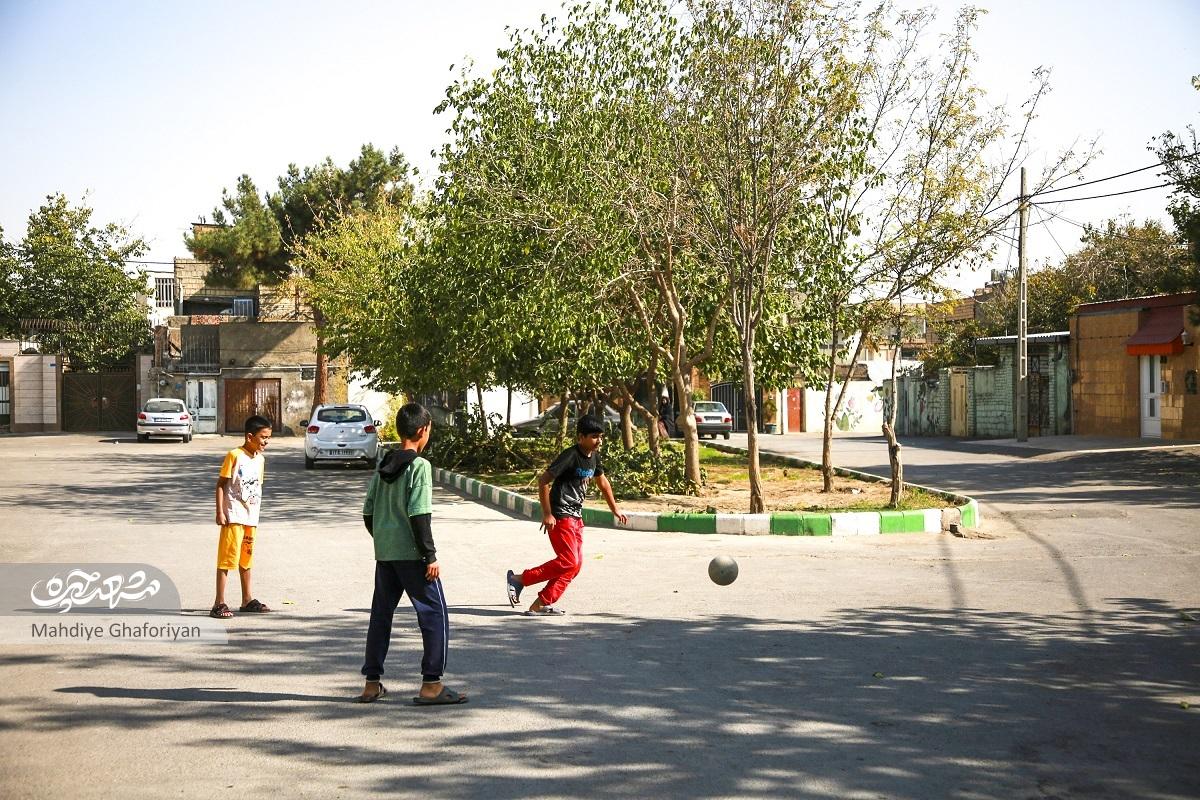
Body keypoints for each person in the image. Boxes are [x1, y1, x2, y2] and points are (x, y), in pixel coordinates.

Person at [357, 402, 467, 706]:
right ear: (423, 431)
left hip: (386, 555)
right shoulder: (419, 466)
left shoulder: (384, 466)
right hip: (413, 557)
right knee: (435, 616)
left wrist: (385, 537)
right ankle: (432, 684)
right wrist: (429, 556)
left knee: (381, 617)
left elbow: (368, 513)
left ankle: (371, 682)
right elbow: (420, 515)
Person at [506, 413, 628, 616]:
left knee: (574, 566)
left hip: (576, 517)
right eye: (594, 436)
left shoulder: (594, 458)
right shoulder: (570, 456)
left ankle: (541, 604)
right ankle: (520, 579)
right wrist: (547, 514)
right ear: (581, 437)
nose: (599, 441)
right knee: (569, 561)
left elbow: (603, 483)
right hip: (560, 516)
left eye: (601, 437)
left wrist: (614, 508)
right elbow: (544, 481)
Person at [210, 415, 272, 619]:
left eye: (268, 438)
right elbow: (221, 485)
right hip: (233, 516)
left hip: (250, 518)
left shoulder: (260, 460)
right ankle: (218, 603)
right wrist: (220, 511)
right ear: (249, 436)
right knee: (227, 559)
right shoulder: (234, 455)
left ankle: (247, 599)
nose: (266, 442)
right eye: (263, 437)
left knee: (246, 559)